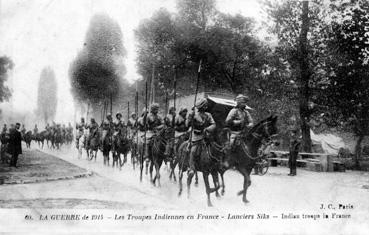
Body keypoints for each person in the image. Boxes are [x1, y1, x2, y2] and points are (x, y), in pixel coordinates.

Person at [186, 98, 216, 176]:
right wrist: (190, 118)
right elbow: (187, 125)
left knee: (215, 147)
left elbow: (213, 124)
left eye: (206, 105)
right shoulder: (194, 115)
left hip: (206, 135)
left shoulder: (208, 115)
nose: (206, 106)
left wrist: (207, 129)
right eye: (204, 105)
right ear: (201, 106)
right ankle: (191, 168)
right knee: (193, 151)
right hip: (196, 136)